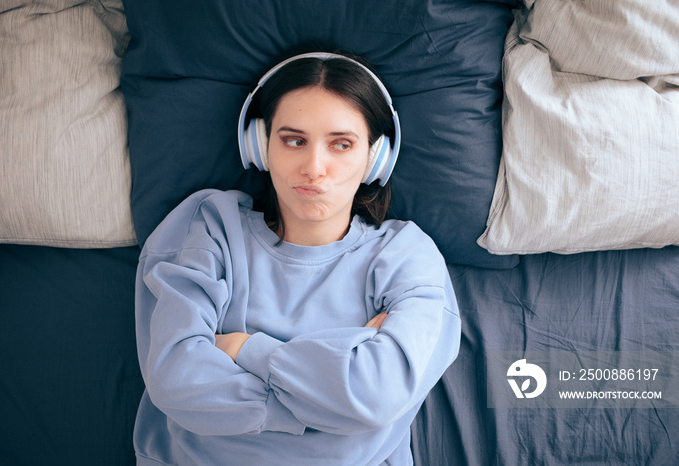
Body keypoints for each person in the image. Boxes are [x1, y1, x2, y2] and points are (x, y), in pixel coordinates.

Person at [133, 51, 461, 466]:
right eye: (294, 140)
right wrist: (333, 395)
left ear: (374, 159)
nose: (314, 167)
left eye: (341, 144)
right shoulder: (213, 226)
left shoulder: (406, 255)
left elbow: (376, 396)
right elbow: (175, 380)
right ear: (260, 145)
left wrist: (244, 349)